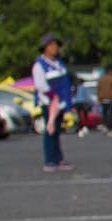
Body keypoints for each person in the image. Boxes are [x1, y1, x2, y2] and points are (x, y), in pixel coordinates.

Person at [31, 33, 74, 172]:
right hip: (49, 103)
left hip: (60, 103)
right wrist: (53, 97)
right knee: (50, 131)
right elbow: (40, 85)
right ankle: (50, 160)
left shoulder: (59, 64)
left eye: (56, 45)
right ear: (44, 47)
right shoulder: (39, 65)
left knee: (56, 132)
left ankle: (58, 159)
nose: (55, 48)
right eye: (51, 45)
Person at [96, 66, 112, 135]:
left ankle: (104, 125)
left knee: (104, 113)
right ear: (110, 71)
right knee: (110, 113)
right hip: (110, 97)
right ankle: (110, 127)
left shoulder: (101, 79)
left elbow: (98, 89)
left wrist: (98, 98)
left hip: (103, 98)